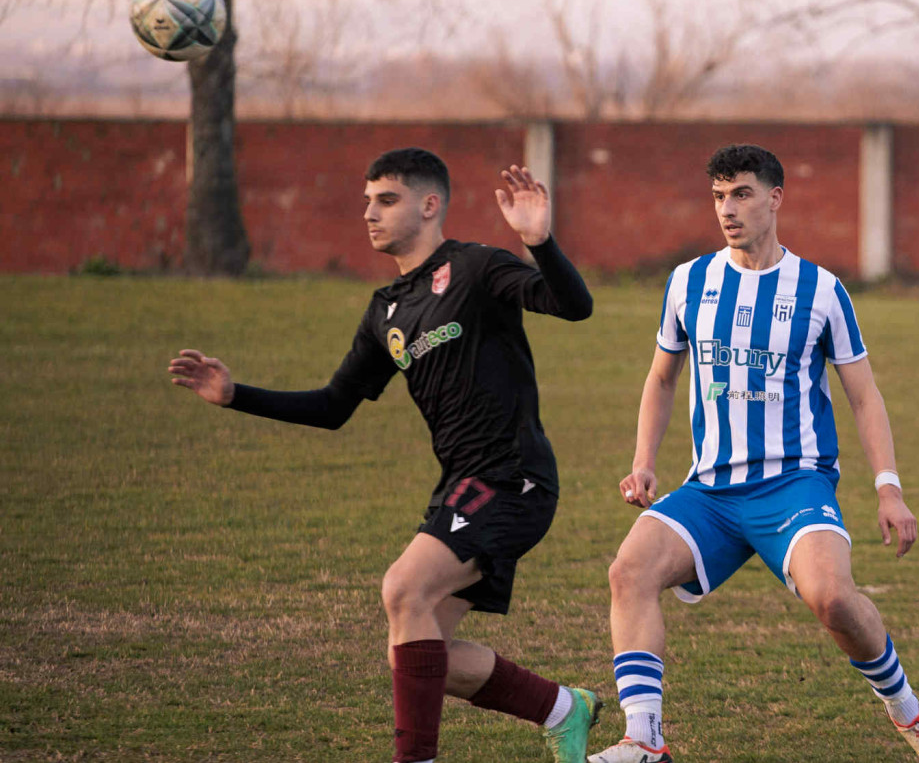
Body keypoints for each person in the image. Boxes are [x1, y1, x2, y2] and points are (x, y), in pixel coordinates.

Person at [168, 148, 601, 763]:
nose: (369, 212)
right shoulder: (386, 311)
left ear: (430, 205)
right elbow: (333, 406)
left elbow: (574, 305)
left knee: (403, 589)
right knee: (416, 651)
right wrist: (235, 395)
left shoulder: (477, 267)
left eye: (386, 199)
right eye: (368, 201)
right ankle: (563, 708)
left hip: (511, 477)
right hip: (460, 485)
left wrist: (542, 241)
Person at [588, 144, 919, 763]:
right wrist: (643, 460)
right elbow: (661, 378)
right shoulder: (689, 281)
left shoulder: (821, 290)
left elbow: (864, 395)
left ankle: (910, 715)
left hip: (794, 485)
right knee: (629, 572)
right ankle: (644, 740)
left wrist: (888, 488)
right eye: (718, 196)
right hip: (710, 489)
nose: (727, 209)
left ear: (775, 198)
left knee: (834, 600)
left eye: (741, 194)